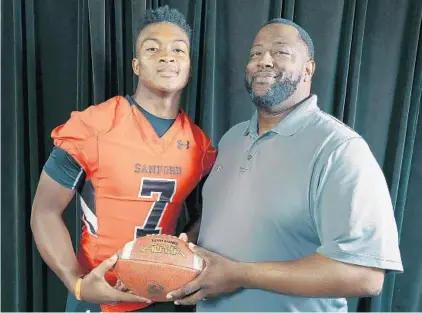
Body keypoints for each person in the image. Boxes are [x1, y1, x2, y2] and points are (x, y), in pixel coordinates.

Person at [167, 18, 404, 312]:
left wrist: (238, 275)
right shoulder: (231, 139)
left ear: (309, 68)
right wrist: (183, 246)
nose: (264, 61)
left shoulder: (339, 150)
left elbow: (365, 276)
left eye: (281, 52)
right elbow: (226, 215)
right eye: (255, 53)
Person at [30, 5, 216, 313]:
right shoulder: (94, 127)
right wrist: (76, 282)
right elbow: (45, 211)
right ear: (136, 65)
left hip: (162, 297)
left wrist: (185, 248)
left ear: (189, 66)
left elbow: (207, 214)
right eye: (152, 48)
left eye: (178, 50)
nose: (166, 56)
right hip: (98, 298)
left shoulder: (199, 144)